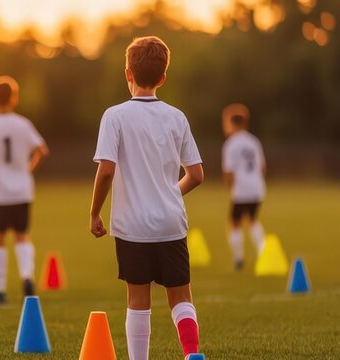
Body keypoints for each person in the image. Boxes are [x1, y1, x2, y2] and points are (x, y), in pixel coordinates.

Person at [89, 37, 204, 359]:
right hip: (171, 222)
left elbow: (107, 170)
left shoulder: (114, 116)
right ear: (163, 77)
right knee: (181, 297)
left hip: (132, 225)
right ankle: (192, 353)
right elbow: (196, 175)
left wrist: (94, 213)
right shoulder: (177, 117)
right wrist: (168, 192)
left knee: (138, 300)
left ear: (128, 73)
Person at [0, 76, 49, 307]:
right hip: (22, 189)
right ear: (14, 99)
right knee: (22, 235)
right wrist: (27, 170)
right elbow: (42, 151)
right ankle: (27, 277)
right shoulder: (23, 124)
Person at [221, 103, 267, 270]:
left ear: (233, 123)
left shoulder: (231, 144)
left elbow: (229, 172)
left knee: (234, 223)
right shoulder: (254, 141)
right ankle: (264, 254)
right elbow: (262, 168)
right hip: (257, 188)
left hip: (241, 190)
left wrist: (230, 187)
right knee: (253, 221)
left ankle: (239, 260)